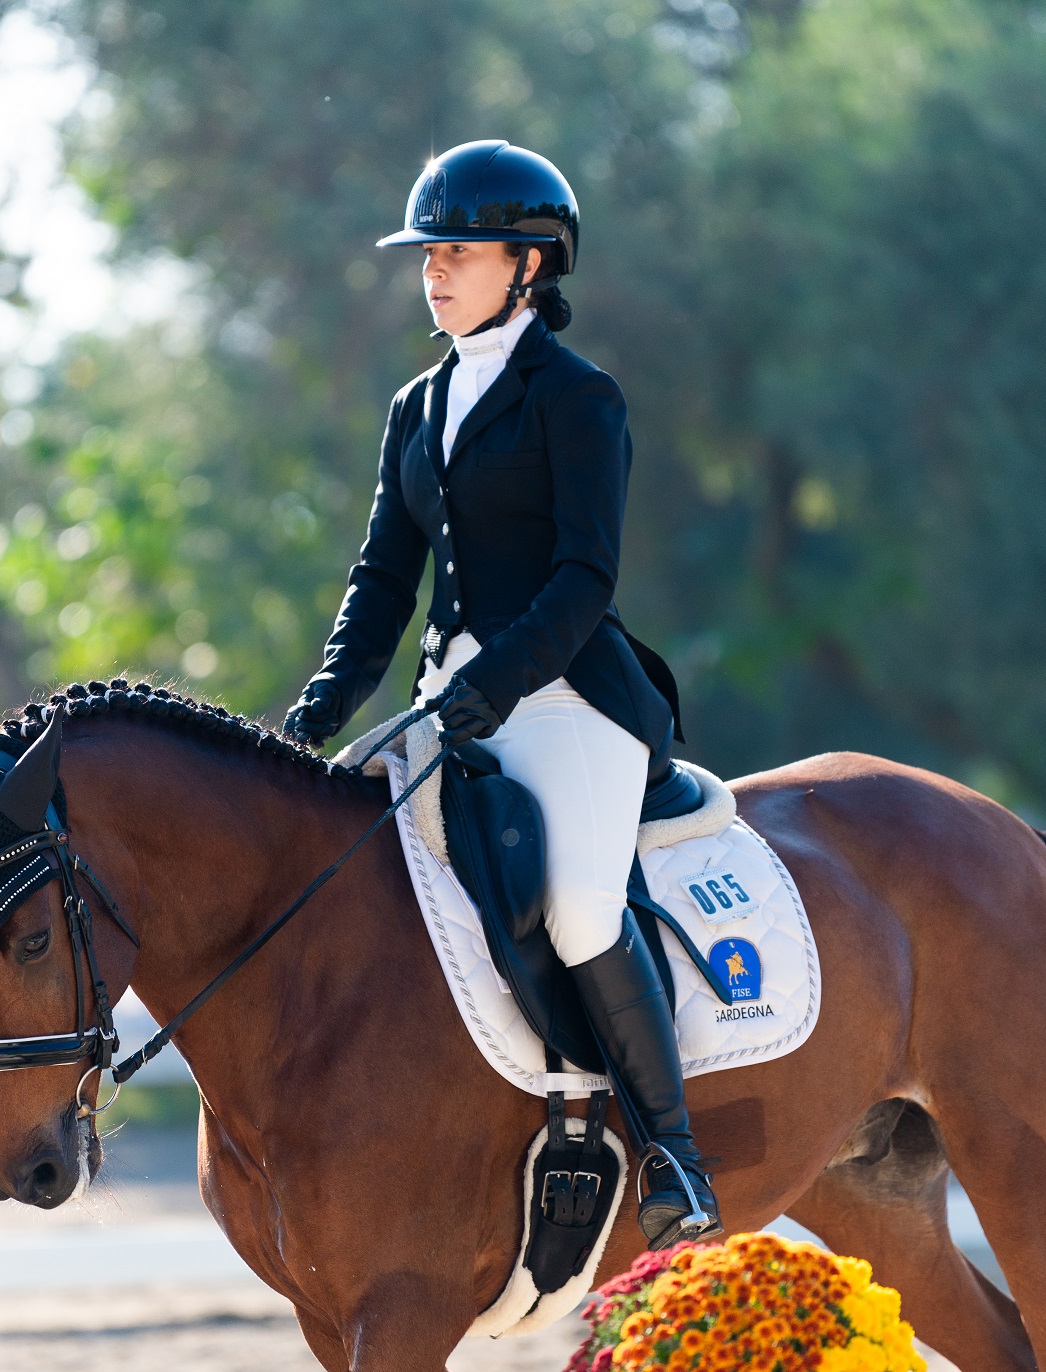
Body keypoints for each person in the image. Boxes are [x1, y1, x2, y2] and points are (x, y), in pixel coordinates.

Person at [282, 140, 719, 1250]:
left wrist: (497, 680)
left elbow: (585, 578)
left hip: (569, 700)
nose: (434, 270)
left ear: (529, 264)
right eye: (428, 252)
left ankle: (671, 1151)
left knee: (576, 904)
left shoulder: (579, 399)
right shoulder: (415, 405)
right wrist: (326, 699)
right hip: (450, 703)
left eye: (459, 251)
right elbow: (384, 574)